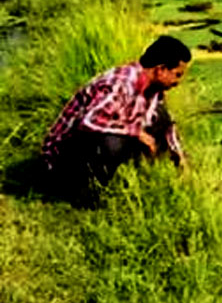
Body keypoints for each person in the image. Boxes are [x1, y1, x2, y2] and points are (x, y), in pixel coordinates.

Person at [42, 36, 191, 200]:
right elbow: (90, 122)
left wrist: (180, 157)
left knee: (161, 118)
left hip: (91, 144)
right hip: (63, 156)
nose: (178, 82)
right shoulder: (121, 83)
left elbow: (168, 127)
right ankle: (82, 191)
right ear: (160, 69)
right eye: (177, 74)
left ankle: (130, 177)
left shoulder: (154, 89)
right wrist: (137, 133)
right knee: (113, 143)